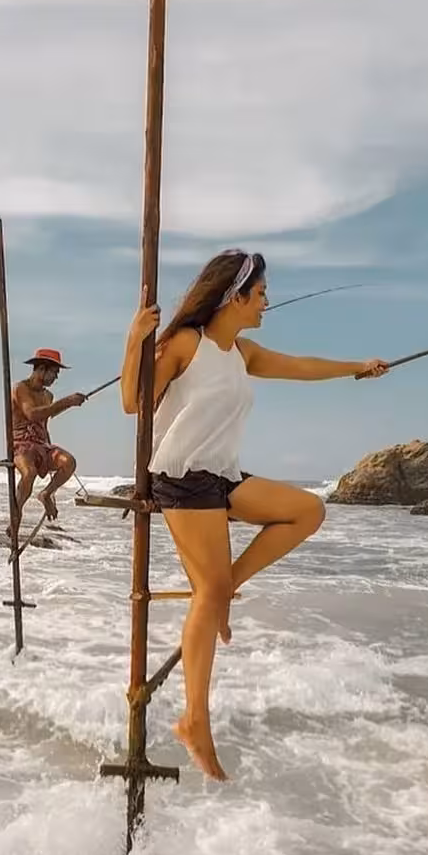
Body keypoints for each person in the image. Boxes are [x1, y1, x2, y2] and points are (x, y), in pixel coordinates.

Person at [120, 249, 388, 781]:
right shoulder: (186, 344)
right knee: (209, 591)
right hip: (181, 476)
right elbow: (133, 402)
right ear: (233, 296)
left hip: (220, 476)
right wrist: (134, 343)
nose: (267, 301)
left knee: (306, 510)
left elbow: (301, 366)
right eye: (260, 293)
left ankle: (222, 594)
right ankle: (194, 720)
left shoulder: (241, 352)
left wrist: (358, 367)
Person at [11, 348, 86, 530]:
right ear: (42, 369)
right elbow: (32, 414)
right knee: (29, 473)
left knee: (69, 462)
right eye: (54, 372)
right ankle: (16, 515)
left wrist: (69, 405)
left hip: (41, 445)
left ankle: (46, 494)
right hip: (20, 445)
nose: (56, 378)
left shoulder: (48, 396)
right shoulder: (21, 388)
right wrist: (67, 401)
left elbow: (45, 421)